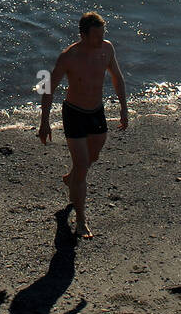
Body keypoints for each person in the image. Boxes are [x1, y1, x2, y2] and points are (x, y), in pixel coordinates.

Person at [38, 12, 128, 238]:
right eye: (96, 36)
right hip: (74, 114)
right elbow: (48, 88)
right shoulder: (69, 56)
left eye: (102, 35)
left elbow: (117, 77)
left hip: (96, 112)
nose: (100, 39)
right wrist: (45, 122)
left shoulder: (107, 49)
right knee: (82, 164)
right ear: (83, 35)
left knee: (91, 159)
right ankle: (80, 220)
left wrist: (124, 108)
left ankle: (71, 179)